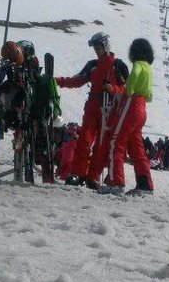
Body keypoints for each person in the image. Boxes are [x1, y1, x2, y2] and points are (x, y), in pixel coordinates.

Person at [55, 32, 128, 188]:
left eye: (98, 47)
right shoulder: (92, 65)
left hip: (109, 109)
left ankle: (92, 177)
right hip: (92, 106)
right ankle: (78, 174)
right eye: (95, 48)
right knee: (84, 140)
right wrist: (58, 81)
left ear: (105, 46)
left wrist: (113, 88)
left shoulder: (118, 66)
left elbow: (127, 89)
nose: (96, 50)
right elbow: (77, 80)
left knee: (101, 145)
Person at [98, 38, 154, 196]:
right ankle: (145, 184)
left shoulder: (137, 65)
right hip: (142, 106)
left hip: (131, 104)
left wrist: (128, 90)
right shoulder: (149, 68)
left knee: (116, 141)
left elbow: (133, 77)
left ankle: (116, 182)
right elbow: (149, 93)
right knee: (137, 147)